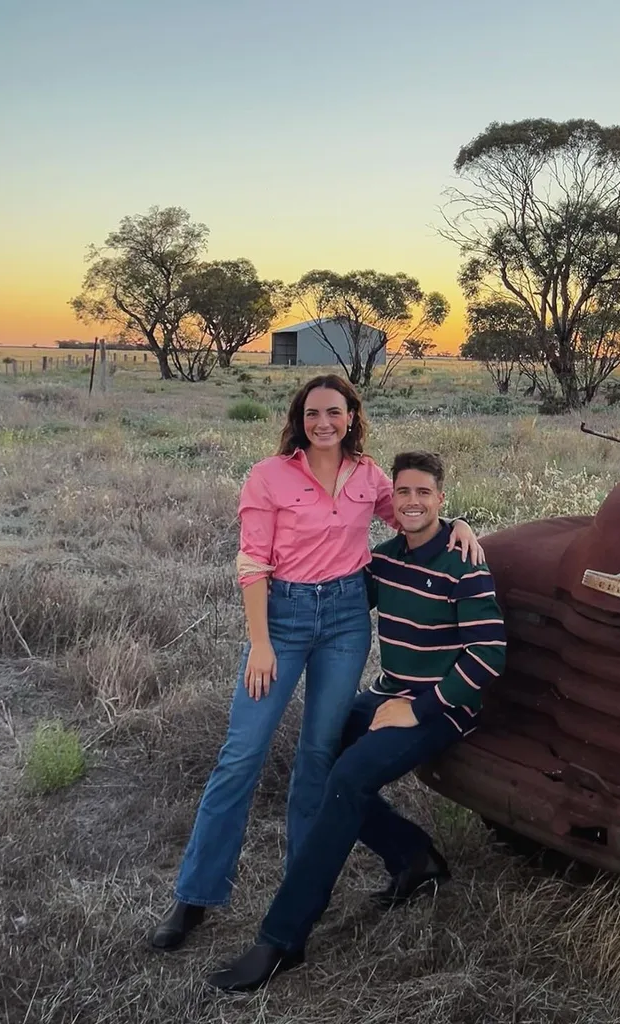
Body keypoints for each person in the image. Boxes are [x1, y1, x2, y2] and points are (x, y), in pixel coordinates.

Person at [149, 380, 483, 952]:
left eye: (335, 411)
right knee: (241, 756)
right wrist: (260, 642)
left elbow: (409, 514)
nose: (324, 421)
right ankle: (196, 895)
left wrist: (459, 527)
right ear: (299, 419)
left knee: (317, 756)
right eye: (313, 413)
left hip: (346, 621)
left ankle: (299, 894)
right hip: (282, 617)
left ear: (352, 417)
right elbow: (253, 563)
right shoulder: (269, 476)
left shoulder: (368, 475)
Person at [205, 450, 506, 992]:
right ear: (393, 499)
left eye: (425, 494)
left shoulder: (466, 564)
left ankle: (282, 939)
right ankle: (413, 857)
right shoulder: (386, 562)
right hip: (388, 695)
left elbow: (487, 655)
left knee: (347, 777)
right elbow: (335, 599)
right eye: (404, 493)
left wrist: (417, 709)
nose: (413, 502)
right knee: (321, 752)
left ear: (441, 498)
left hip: (443, 708)